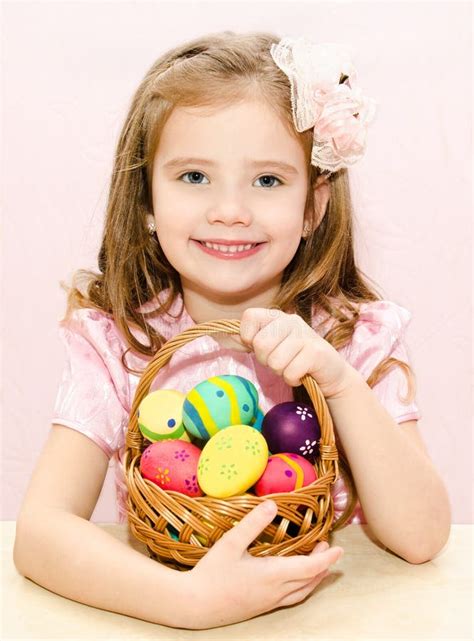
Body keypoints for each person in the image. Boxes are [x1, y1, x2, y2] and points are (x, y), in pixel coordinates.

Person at [13, 31, 451, 630]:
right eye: (194, 176)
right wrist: (189, 602)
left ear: (312, 207)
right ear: (146, 199)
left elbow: (422, 537)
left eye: (267, 181)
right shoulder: (117, 342)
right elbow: (39, 534)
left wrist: (341, 384)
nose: (230, 209)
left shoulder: (355, 337)